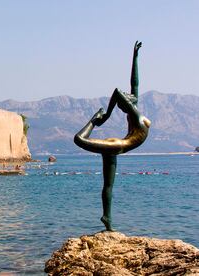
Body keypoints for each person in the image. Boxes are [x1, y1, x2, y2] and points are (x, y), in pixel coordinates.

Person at [74, 41, 150, 231]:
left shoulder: (135, 114)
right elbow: (118, 92)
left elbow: (135, 83)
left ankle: (107, 218)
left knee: (109, 185)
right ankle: (92, 121)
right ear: (128, 104)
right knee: (79, 140)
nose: (128, 93)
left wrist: (135, 57)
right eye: (128, 96)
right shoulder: (137, 116)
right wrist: (104, 116)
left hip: (118, 146)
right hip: (117, 145)